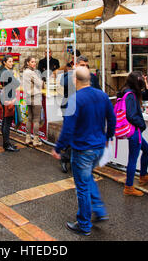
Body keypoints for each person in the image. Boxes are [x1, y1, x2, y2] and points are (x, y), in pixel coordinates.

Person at [51, 66, 116, 236]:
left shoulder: (75, 99)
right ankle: (99, 210)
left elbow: (68, 128)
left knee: (82, 187)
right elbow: (112, 118)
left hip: (82, 149)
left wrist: (59, 148)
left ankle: (84, 224)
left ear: (75, 80)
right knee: (87, 179)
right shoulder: (102, 95)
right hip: (99, 147)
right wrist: (108, 137)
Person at [118, 71, 148, 196]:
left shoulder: (127, 91)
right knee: (132, 159)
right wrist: (142, 125)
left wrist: (146, 83)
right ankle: (129, 187)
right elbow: (132, 115)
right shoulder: (131, 95)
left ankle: (143, 176)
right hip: (134, 130)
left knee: (147, 150)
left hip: (133, 130)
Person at [0, 55, 20, 152]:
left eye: (12, 61)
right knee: (7, 122)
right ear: (5, 62)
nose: (12, 63)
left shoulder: (3, 71)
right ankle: (6, 144)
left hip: (5, 96)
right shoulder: (7, 73)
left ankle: (6, 142)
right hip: (8, 98)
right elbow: (17, 83)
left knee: (5, 120)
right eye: (10, 61)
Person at [22, 56, 43, 147]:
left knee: (29, 118)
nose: (34, 63)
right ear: (28, 63)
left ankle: (27, 138)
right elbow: (39, 84)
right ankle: (35, 139)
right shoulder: (31, 73)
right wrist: (43, 81)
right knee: (36, 119)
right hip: (36, 97)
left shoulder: (25, 72)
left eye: (35, 62)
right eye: (32, 62)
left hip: (28, 97)